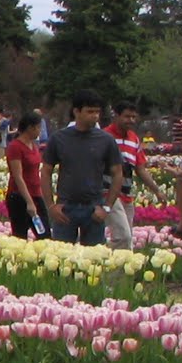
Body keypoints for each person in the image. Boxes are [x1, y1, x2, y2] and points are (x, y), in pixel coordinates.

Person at [40, 90, 123, 248]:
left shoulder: (106, 140)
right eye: (90, 112)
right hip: (65, 208)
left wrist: (106, 207)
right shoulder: (59, 138)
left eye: (97, 112)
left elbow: (118, 173)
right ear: (76, 112)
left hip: (94, 208)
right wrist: (51, 206)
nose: (95, 116)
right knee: (61, 257)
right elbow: (45, 171)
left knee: (93, 258)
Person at [102, 99, 164, 251]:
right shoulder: (104, 136)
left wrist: (156, 190)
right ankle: (108, 262)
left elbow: (140, 169)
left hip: (126, 195)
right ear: (116, 116)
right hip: (108, 194)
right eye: (127, 116)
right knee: (123, 237)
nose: (131, 120)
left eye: (133, 117)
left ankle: (118, 265)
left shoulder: (134, 139)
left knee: (127, 239)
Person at [4, 112, 49, 240]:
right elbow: (18, 176)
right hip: (19, 197)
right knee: (20, 237)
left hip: (36, 194)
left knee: (45, 235)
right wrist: (29, 202)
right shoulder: (15, 147)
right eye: (38, 127)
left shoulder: (33, 145)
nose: (40, 131)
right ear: (30, 128)